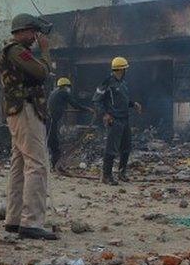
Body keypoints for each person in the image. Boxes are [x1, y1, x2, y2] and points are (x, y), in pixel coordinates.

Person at [0, 13, 56, 241]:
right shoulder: (15, 50)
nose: (34, 37)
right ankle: (31, 222)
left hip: (20, 111)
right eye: (32, 32)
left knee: (19, 164)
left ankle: (14, 218)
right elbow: (42, 72)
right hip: (25, 110)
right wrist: (45, 50)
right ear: (21, 31)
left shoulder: (14, 51)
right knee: (37, 164)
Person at [93, 56, 143, 185]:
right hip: (114, 120)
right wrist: (105, 114)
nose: (126, 71)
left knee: (126, 148)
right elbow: (96, 100)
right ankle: (106, 176)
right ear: (121, 70)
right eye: (125, 69)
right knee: (111, 149)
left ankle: (122, 173)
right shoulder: (107, 82)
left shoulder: (123, 84)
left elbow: (124, 101)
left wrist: (133, 104)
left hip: (125, 119)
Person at [46, 77, 91, 171]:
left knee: (52, 143)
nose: (69, 89)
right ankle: (55, 166)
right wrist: (87, 109)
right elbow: (74, 104)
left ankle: (55, 166)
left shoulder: (54, 92)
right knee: (52, 144)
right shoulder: (63, 92)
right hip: (51, 121)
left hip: (50, 121)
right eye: (68, 87)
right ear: (65, 86)